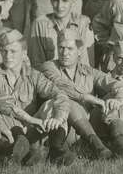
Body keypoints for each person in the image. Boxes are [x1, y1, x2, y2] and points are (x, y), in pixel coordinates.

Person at [0, 29, 71, 166]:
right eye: (4, 51)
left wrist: (58, 118)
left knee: (53, 104)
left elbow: (59, 94)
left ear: (24, 53)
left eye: (13, 51)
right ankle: (13, 152)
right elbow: (5, 104)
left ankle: (56, 150)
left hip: (31, 129)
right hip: (9, 128)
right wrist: (32, 120)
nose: (8, 56)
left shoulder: (33, 75)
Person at [35, 29, 116, 161]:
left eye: (70, 49)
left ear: (79, 51)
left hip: (85, 128)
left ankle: (119, 144)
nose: (64, 53)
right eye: (61, 48)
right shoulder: (48, 67)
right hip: (58, 129)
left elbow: (114, 84)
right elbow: (61, 85)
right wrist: (88, 97)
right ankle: (99, 148)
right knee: (68, 102)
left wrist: (119, 98)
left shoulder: (88, 71)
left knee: (113, 97)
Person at [27, 0, 94, 71]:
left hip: (77, 81)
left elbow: (87, 66)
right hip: (48, 80)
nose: (60, 6)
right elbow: (37, 65)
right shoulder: (39, 24)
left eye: (65, 1)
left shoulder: (83, 24)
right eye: (56, 0)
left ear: (73, 1)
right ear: (50, 1)